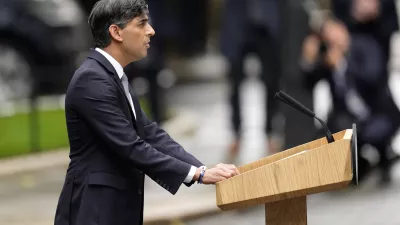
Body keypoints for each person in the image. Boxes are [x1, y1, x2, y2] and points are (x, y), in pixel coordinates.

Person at [54, 1, 239, 225]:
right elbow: (132, 146)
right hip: (94, 211)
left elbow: (149, 133)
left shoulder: (111, 75)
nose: (151, 30)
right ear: (116, 32)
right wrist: (196, 175)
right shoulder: (92, 79)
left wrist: (201, 169)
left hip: (115, 209)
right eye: (141, 24)